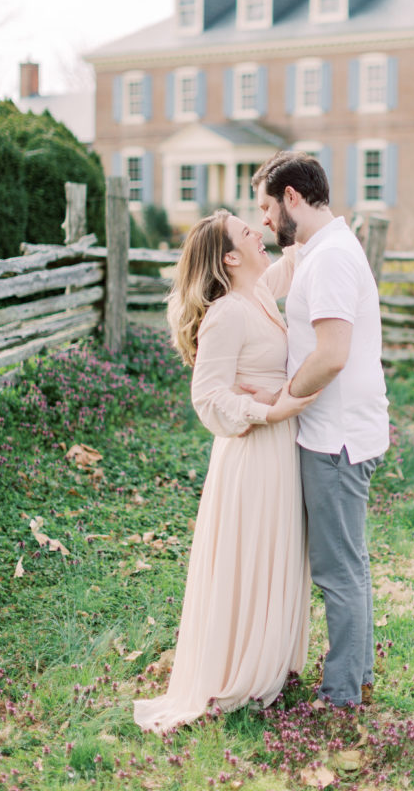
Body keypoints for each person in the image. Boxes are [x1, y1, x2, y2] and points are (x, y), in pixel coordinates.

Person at [134, 210, 315, 733]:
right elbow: (208, 399)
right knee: (251, 553)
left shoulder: (256, 293)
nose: (256, 233)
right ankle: (240, 669)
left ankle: (269, 663)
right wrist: (267, 409)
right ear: (230, 258)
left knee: (274, 549)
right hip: (252, 453)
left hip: (278, 449)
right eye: (245, 232)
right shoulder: (226, 312)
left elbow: (290, 264)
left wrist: (301, 223)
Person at [251, 151, 390, 708]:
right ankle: (358, 678)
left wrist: (281, 400)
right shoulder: (321, 247)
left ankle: (340, 697)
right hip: (341, 430)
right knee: (348, 563)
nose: (263, 220)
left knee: (337, 571)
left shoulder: (331, 257)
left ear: (292, 198)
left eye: (265, 206)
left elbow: (331, 355)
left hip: (335, 437)